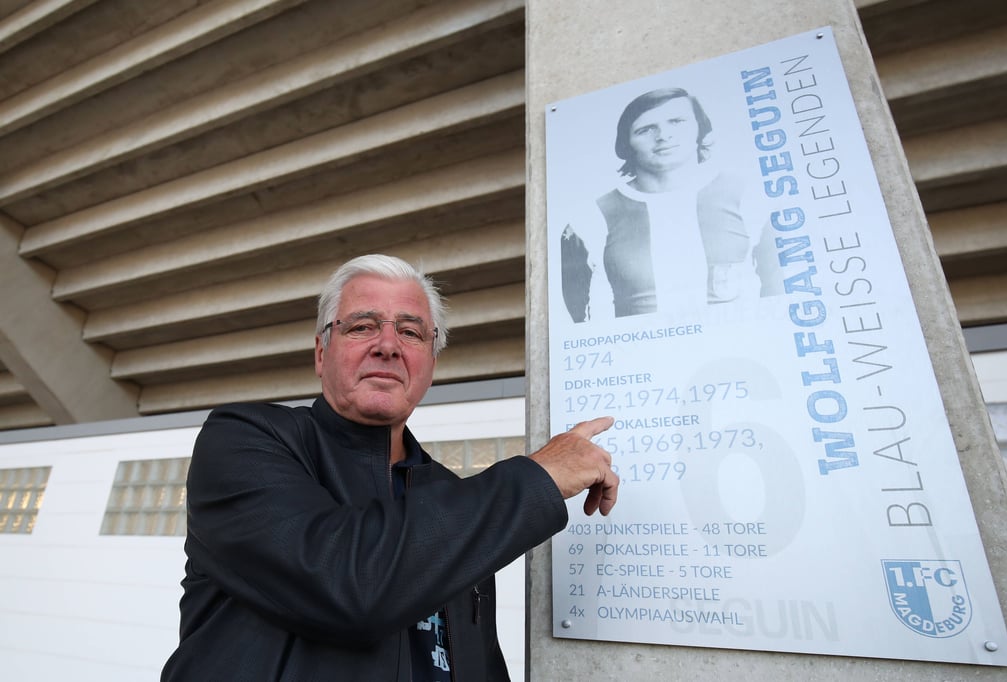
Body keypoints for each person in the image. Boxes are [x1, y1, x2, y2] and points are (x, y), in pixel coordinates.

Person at [161, 254, 618, 681]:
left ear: (431, 362)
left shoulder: (456, 496)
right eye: (362, 326)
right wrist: (537, 478)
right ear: (321, 352)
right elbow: (349, 587)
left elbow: (480, 661)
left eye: (411, 332)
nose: (387, 346)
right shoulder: (245, 440)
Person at [560, 87, 782, 322]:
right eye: (646, 129)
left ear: (699, 127)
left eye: (677, 121)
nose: (663, 136)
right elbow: (578, 317)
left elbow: (779, 289)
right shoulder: (589, 218)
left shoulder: (749, 196)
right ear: (626, 143)